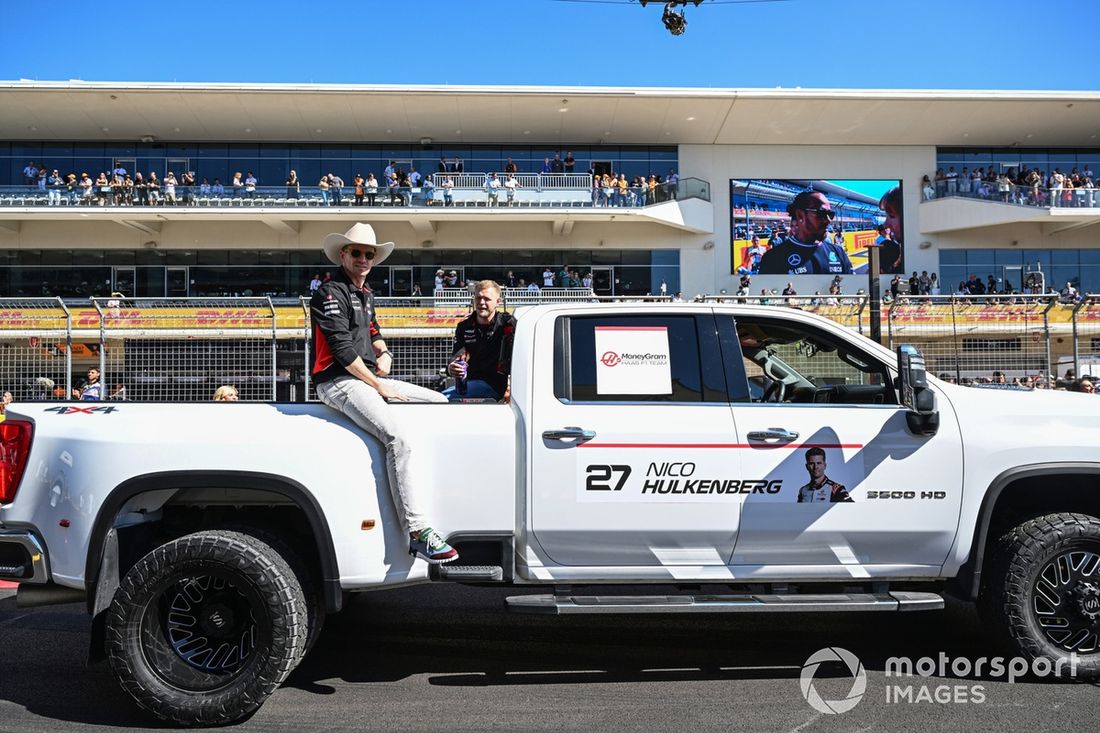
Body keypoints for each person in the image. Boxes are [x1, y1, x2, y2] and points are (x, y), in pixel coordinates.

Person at [309, 223, 455, 564]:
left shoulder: (366, 293)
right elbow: (342, 350)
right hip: (337, 381)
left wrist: (384, 352)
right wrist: (378, 386)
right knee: (397, 439)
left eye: (368, 254)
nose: (363, 258)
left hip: (366, 378)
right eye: (356, 252)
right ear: (343, 255)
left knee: (441, 402)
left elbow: (373, 331)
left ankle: (432, 491)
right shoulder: (329, 292)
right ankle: (417, 532)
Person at [443, 280, 516, 403]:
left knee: (442, 399)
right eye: (478, 298)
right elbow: (457, 355)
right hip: (467, 384)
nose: (481, 302)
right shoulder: (464, 326)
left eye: (487, 299)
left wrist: (511, 383)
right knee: (437, 397)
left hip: (495, 385)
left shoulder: (507, 324)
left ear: (498, 301)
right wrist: (451, 368)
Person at [758, 191, 852, 275]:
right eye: (821, 213)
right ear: (800, 215)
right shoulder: (773, 259)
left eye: (830, 214)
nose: (828, 220)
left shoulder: (838, 253)